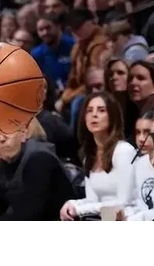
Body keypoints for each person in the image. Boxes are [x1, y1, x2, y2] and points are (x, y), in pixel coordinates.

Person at [59, 92, 137, 220]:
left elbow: (124, 203)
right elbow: (93, 200)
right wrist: (72, 203)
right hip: (104, 217)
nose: (94, 115)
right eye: (89, 111)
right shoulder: (89, 156)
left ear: (112, 117)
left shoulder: (124, 151)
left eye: (101, 110)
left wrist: (80, 209)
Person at [128, 110, 154, 221]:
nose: (141, 139)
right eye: (138, 132)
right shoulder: (138, 164)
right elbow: (133, 203)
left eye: (147, 132)